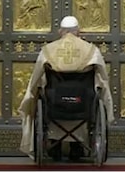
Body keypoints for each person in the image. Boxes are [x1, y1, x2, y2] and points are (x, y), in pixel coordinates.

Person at [18, 16, 114, 161]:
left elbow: (36, 78)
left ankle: (54, 146)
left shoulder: (48, 50)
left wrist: (31, 95)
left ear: (60, 31)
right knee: (90, 92)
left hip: (55, 103)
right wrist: (107, 101)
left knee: (46, 91)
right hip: (83, 104)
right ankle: (77, 146)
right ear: (78, 32)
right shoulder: (91, 50)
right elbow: (103, 78)